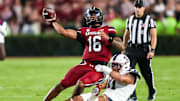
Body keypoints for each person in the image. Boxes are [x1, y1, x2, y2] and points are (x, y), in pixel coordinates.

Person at [42, 6, 125, 101]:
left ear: (99, 17)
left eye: (94, 15)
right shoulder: (84, 31)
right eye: (90, 15)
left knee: (81, 83)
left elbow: (121, 46)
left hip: (99, 68)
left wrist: (108, 38)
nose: (92, 17)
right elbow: (63, 32)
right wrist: (53, 21)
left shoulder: (108, 30)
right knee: (62, 84)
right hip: (85, 64)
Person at [123, 0, 157, 101]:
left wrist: (152, 50)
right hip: (131, 49)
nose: (138, 9)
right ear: (134, 8)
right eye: (136, 7)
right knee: (129, 72)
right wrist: (123, 48)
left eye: (140, 7)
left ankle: (151, 90)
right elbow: (126, 34)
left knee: (146, 73)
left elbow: (154, 36)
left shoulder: (149, 20)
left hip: (143, 49)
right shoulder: (130, 19)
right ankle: (132, 95)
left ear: (143, 8)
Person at [69, 54, 140, 101]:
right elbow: (104, 84)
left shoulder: (131, 73)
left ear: (124, 65)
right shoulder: (113, 74)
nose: (113, 68)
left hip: (115, 99)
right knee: (77, 99)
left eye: (115, 65)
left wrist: (104, 68)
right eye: (112, 65)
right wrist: (99, 87)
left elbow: (122, 78)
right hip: (106, 97)